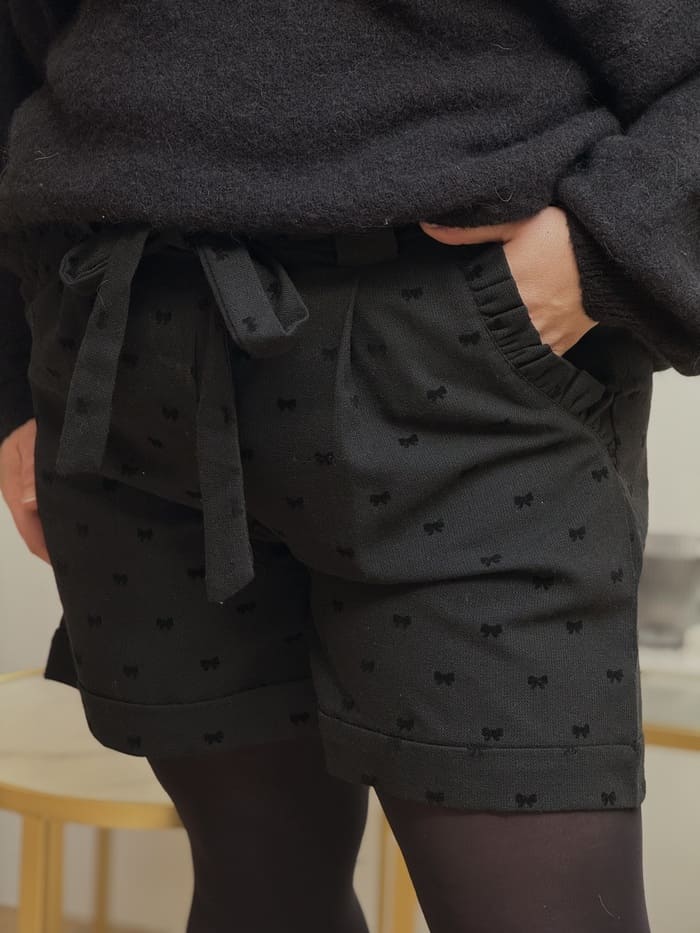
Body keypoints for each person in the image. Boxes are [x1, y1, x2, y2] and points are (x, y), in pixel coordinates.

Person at [0, 2, 697, 930]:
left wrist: (608, 251)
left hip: (452, 381)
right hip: (130, 361)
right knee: (256, 888)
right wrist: (13, 381)